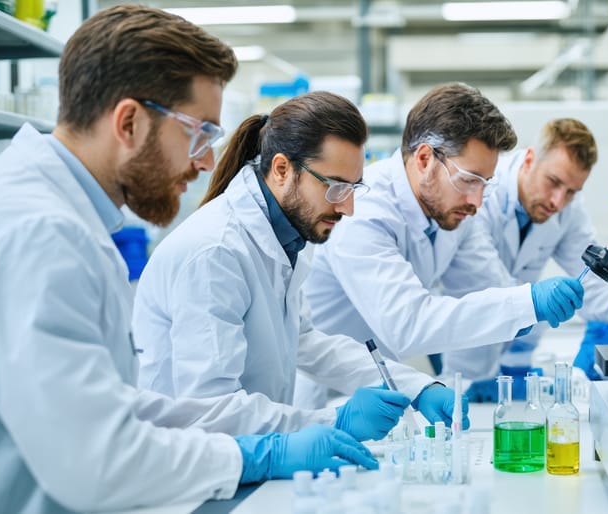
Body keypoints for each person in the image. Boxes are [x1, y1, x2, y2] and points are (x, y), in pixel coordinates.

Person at [0, 6, 375, 513]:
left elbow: (116, 407)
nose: (209, 160)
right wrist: (252, 455)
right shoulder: (41, 232)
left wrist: (308, 427)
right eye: (199, 133)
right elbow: (98, 461)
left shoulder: (64, 218)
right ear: (128, 122)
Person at [132, 91, 467, 439]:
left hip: (248, 454)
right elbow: (211, 408)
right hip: (195, 466)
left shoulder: (289, 234)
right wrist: (333, 421)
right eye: (336, 188)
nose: (347, 208)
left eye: (353, 188)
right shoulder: (215, 253)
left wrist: (417, 387)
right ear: (282, 169)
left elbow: (303, 341)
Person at [302, 83, 586, 371]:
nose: (476, 201)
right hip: (327, 390)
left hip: (382, 375)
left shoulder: (455, 213)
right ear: (425, 159)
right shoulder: (364, 212)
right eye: (469, 179)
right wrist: (528, 303)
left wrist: (531, 311)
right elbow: (407, 326)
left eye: (485, 184)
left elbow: (489, 287)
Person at [442, 118, 608, 389]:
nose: (558, 201)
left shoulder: (568, 208)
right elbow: (484, 283)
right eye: (553, 182)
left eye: (571, 191)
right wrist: (535, 299)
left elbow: (592, 272)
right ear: (530, 159)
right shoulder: (483, 196)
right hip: (468, 358)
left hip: (518, 358)